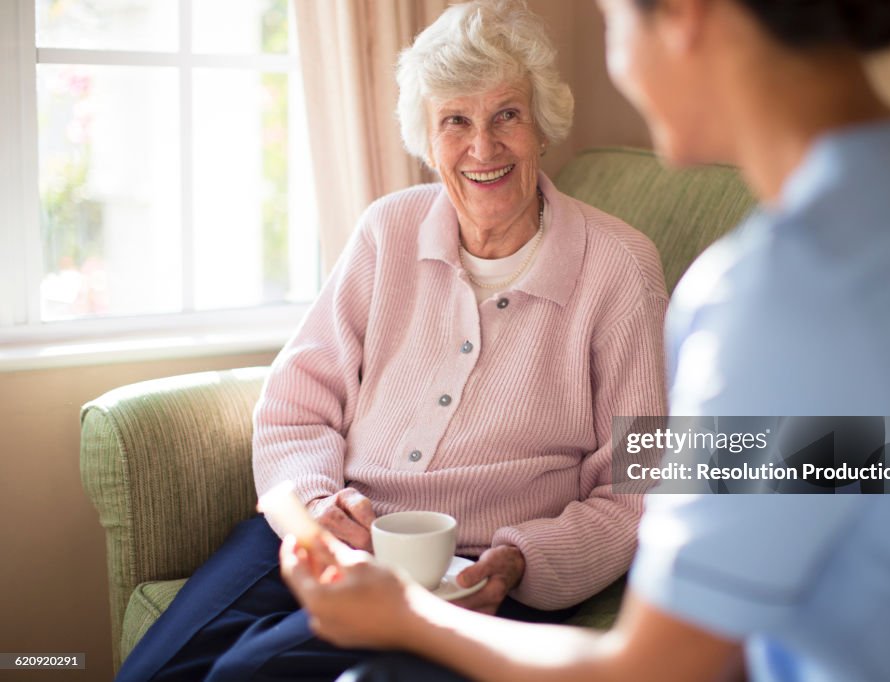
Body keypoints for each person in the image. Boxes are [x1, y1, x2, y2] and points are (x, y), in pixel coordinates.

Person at [280, 0, 890, 680]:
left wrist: (411, 615)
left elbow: (653, 669)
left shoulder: (782, 290)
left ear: (685, 15)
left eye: (610, 19)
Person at [114, 1, 668, 680]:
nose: (483, 148)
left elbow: (637, 489)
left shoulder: (618, 267)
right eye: (455, 121)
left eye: (506, 115)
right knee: (153, 671)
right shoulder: (389, 231)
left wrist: (523, 558)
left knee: (244, 673)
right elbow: (297, 405)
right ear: (427, 140)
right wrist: (316, 506)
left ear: (543, 126)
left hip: (475, 574)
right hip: (332, 531)